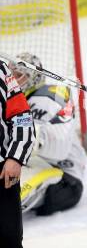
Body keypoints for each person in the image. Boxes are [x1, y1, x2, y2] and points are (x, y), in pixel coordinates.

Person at [9, 53, 86, 216]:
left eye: (19, 75)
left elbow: (55, 147)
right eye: (11, 75)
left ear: (34, 78)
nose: (13, 80)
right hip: (36, 168)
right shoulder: (18, 101)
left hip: (64, 180)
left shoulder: (50, 95)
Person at [0, 58, 34, 247]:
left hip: (3, 172)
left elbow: (22, 117)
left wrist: (15, 157)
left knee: (9, 238)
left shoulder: (1, 70)